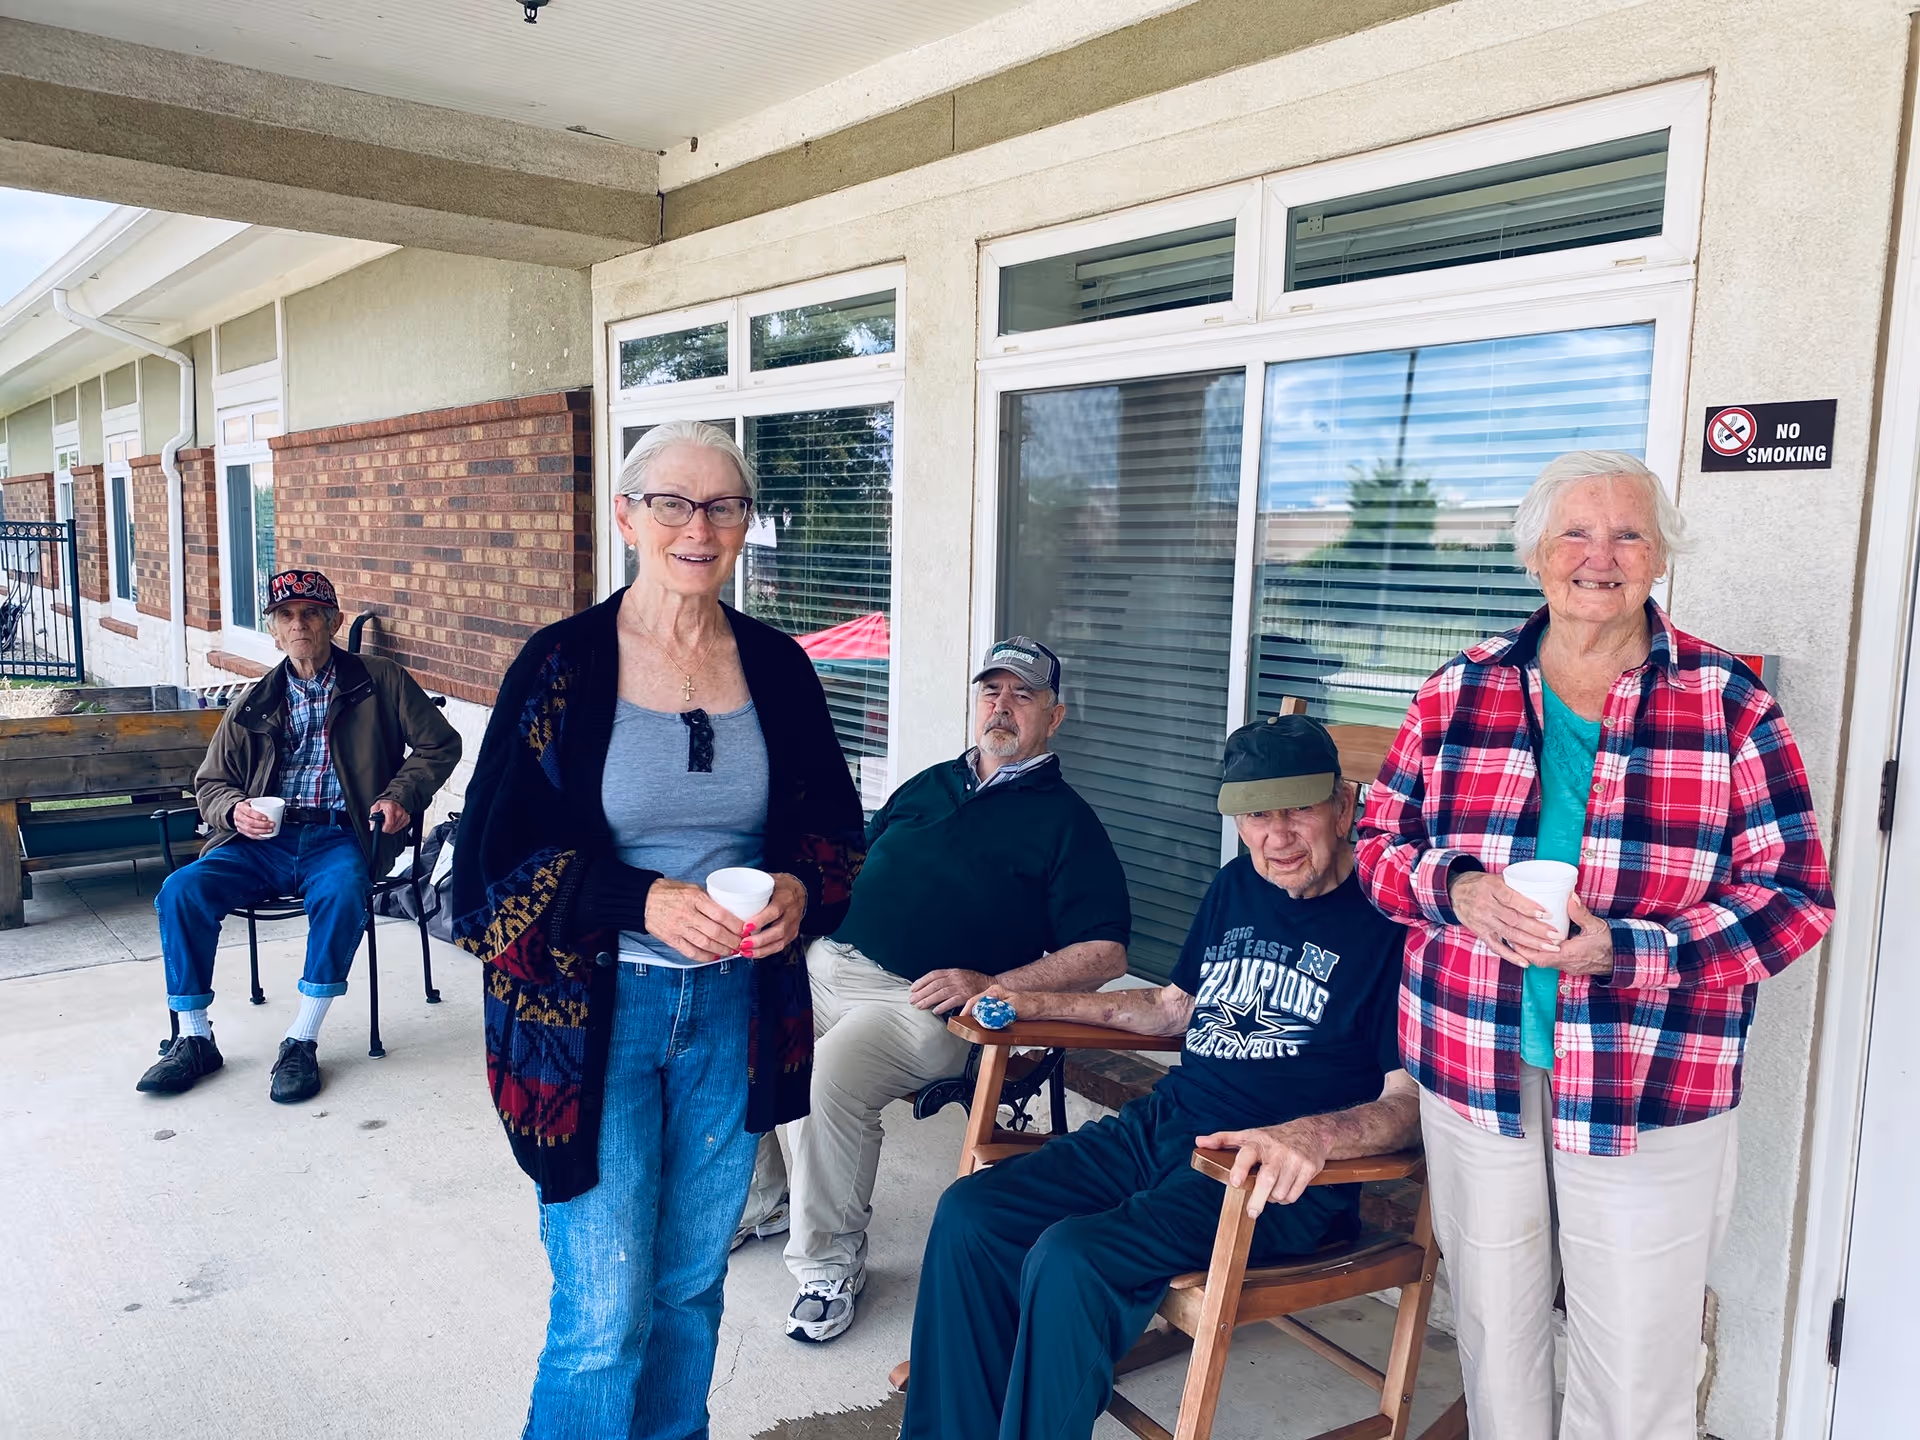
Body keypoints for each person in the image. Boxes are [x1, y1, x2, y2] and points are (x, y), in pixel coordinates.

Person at [1356, 450, 1836, 1440]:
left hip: (1649, 1080)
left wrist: (1625, 952)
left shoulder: (1729, 703)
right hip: (1475, 1066)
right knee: (1496, 1335)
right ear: (1536, 551)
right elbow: (1379, 845)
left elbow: (1794, 898)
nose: (1599, 556)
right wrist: (1461, 889)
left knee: (1637, 1367)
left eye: (1627, 534)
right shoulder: (1460, 690)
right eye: (1576, 531)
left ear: (1659, 558)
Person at [450, 420, 864, 1440]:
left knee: (688, 1291)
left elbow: (835, 829)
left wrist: (800, 893)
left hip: (735, 1011)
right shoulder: (562, 666)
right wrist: (635, 900)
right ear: (629, 516)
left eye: (723, 506)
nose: (699, 526)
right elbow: (482, 878)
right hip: (593, 1022)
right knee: (603, 1313)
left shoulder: (777, 666)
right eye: (673, 502)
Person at [897, 714, 1417, 1440]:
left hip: (1265, 1179)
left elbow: (1412, 1099)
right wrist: (1030, 999)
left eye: (1298, 809)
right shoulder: (1237, 886)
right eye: (1257, 816)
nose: (1279, 836)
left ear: (1344, 804)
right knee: (972, 1215)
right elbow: (1175, 1007)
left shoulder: (1394, 921)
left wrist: (1315, 1134)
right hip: (1166, 1125)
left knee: (1073, 1259)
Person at [740, 636, 1131, 1346]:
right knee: (742, 1023)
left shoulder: (1068, 823)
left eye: (1022, 695)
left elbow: (1105, 951)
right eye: (991, 691)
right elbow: (854, 864)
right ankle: (769, 1200)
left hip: (924, 1005)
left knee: (823, 1078)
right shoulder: (928, 784)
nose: (1002, 707)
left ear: (1055, 715)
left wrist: (996, 984)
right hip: (834, 963)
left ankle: (828, 1263)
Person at [136, 568, 460, 1103]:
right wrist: (235, 811)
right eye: (286, 616)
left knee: (341, 892)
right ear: (273, 631)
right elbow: (211, 783)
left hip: (343, 834)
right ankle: (193, 1037)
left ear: (333, 621)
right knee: (181, 891)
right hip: (263, 842)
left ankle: (302, 1040)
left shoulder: (379, 680)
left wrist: (401, 795)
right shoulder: (255, 701)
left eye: (311, 613)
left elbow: (439, 746)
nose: (299, 624)